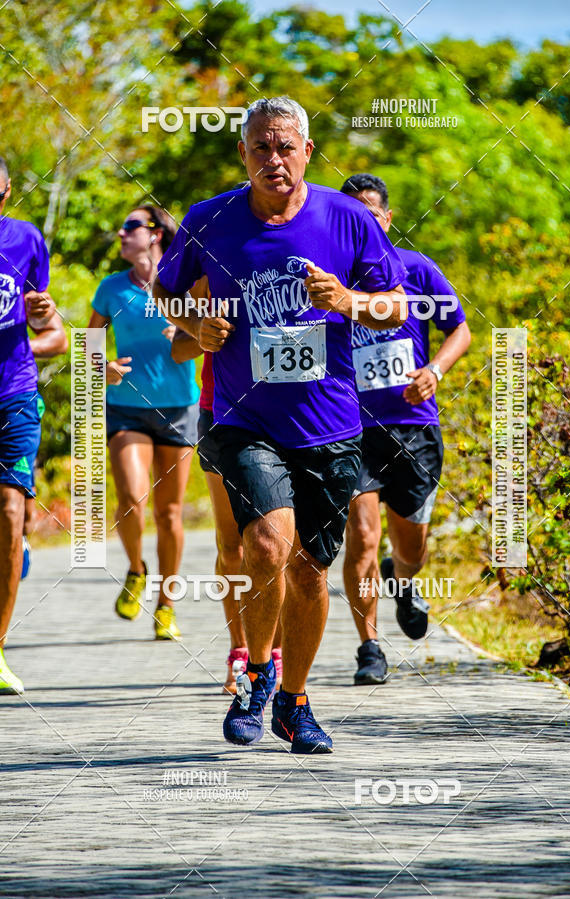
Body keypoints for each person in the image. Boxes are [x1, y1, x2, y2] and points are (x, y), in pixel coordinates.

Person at [154, 97, 407, 753]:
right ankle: (256, 675)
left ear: (308, 151)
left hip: (329, 426)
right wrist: (190, 323)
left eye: (285, 146)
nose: (274, 158)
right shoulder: (210, 219)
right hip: (244, 420)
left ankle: (293, 698)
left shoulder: (348, 218)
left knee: (308, 571)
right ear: (243, 153)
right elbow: (165, 287)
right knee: (266, 546)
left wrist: (348, 301)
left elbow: (396, 304)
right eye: (261, 147)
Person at [340, 173, 471, 685]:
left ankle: (403, 578)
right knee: (363, 538)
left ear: (387, 219)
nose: (362, 225)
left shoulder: (415, 269)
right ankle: (369, 647)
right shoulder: (329, 279)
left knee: (409, 547)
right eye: (351, 217)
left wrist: (434, 371)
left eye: (370, 215)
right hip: (352, 428)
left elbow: (459, 327)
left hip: (414, 425)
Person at [88, 205, 199, 640]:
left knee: (170, 513)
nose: (122, 232)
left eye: (131, 226)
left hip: (178, 408)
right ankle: (136, 569)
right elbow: (91, 342)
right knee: (132, 499)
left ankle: (167, 604)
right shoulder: (112, 288)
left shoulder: (181, 281)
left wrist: (186, 334)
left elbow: (209, 335)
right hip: (127, 407)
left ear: (155, 235)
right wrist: (105, 366)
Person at [171, 268, 283, 694]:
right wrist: (202, 332)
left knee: (281, 546)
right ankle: (240, 652)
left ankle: (272, 651)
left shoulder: (300, 266)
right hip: (220, 414)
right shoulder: (206, 281)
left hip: (286, 415)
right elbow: (180, 351)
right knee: (232, 546)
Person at [0, 156, 65, 693]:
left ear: (7, 190)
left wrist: (41, 311)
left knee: (9, 509)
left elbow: (49, 325)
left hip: (14, 392)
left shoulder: (26, 239)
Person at [21, 314, 69, 579]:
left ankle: (20, 537)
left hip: (16, 403)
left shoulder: (19, 280)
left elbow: (57, 338)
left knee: (19, 505)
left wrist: (18, 348)